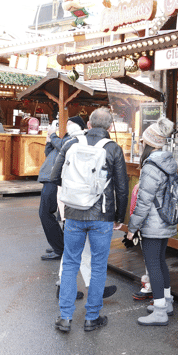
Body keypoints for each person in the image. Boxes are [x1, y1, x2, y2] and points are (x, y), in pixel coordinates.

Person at [50, 108, 128, 333]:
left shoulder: (71, 143)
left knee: (70, 263)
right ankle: (92, 317)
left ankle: (65, 317)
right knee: (98, 265)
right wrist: (119, 218)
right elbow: (122, 188)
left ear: (90, 124)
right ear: (110, 127)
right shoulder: (113, 148)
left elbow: (55, 176)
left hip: (74, 213)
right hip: (102, 216)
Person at [127, 117, 178, 326]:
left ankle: (159, 311)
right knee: (160, 262)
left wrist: (132, 228)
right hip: (165, 220)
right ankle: (166, 302)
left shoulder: (150, 166)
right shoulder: (168, 162)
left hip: (153, 223)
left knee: (153, 265)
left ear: (149, 143)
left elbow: (143, 202)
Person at [38, 116, 86, 261]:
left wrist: (52, 135)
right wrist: (49, 140)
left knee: (46, 213)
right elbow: (50, 153)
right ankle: (59, 244)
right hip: (50, 177)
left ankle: (59, 248)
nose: (68, 126)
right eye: (68, 123)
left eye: (71, 124)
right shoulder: (65, 138)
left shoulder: (76, 139)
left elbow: (62, 146)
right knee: (49, 213)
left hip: (56, 179)